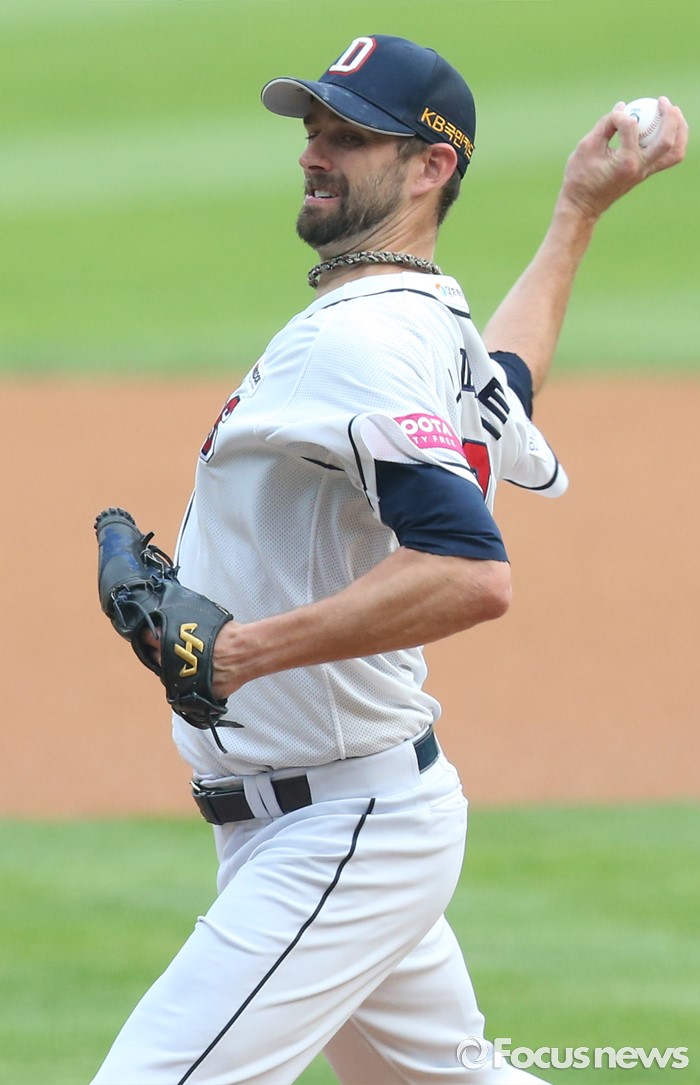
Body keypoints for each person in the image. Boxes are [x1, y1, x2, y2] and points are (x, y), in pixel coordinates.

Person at [90, 34, 687, 1085]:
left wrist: (240, 653)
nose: (313, 153)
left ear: (430, 166)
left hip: (341, 830)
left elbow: (470, 571)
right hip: (341, 814)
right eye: (314, 129)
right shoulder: (422, 319)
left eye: (350, 137)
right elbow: (504, 386)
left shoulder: (359, 342)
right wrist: (575, 214)